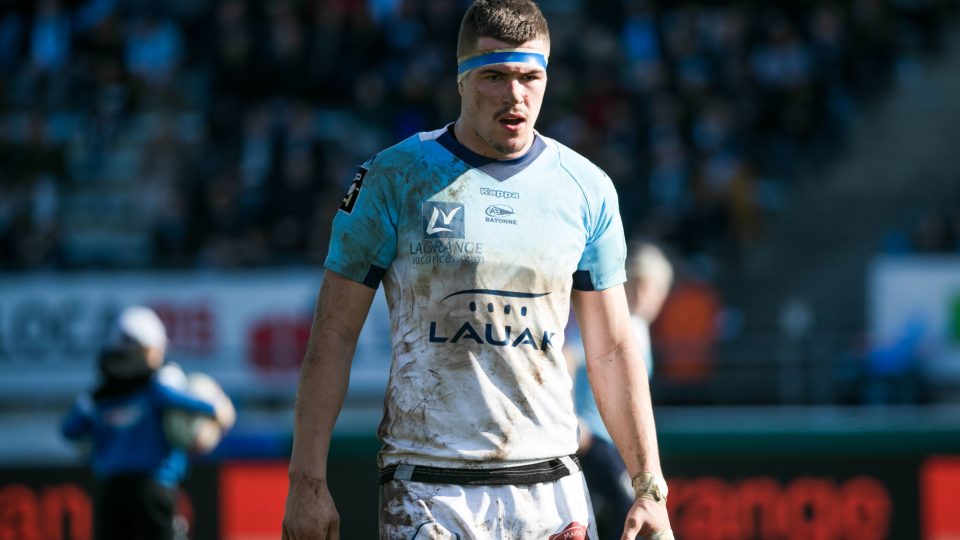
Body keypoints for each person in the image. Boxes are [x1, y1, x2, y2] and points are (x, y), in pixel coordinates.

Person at [282, 1, 673, 538]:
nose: (515, 95)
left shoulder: (586, 188)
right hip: (428, 491)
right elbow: (333, 334)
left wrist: (648, 485)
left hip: (552, 493)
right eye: (495, 76)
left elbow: (611, 347)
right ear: (461, 80)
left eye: (530, 77)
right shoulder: (394, 177)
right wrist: (307, 482)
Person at [61, 306, 234, 540]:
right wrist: (217, 408)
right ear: (148, 349)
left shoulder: (98, 395)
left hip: (110, 491)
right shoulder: (155, 387)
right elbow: (178, 400)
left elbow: (69, 430)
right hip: (152, 488)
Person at [567, 242, 674, 539]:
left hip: (614, 443)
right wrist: (572, 417)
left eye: (651, 286)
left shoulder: (638, 328)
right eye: (637, 283)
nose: (643, 293)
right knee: (634, 510)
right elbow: (568, 356)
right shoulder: (616, 325)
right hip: (594, 440)